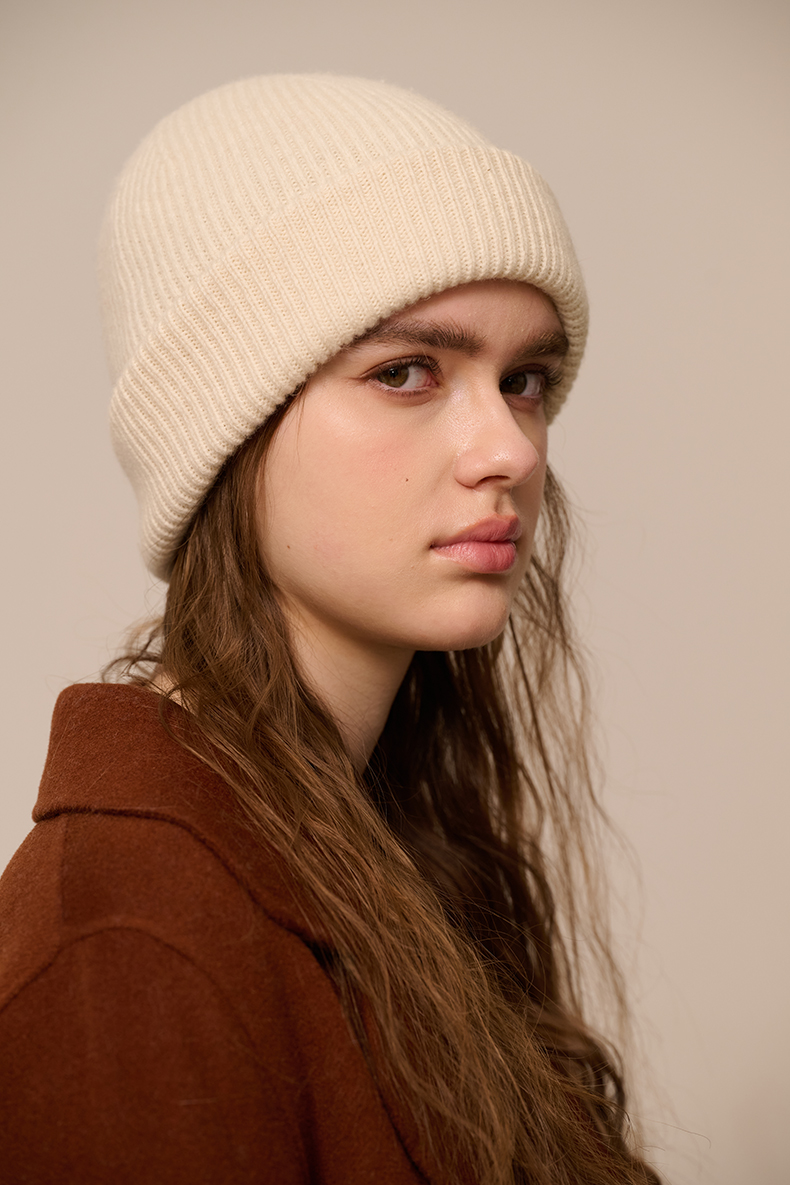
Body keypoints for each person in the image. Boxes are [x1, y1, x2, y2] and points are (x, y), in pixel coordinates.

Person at [0, 75, 660, 1184]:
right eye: (406, 372)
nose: (509, 450)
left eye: (524, 379)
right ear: (224, 432)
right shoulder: (126, 943)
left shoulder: (388, 855)